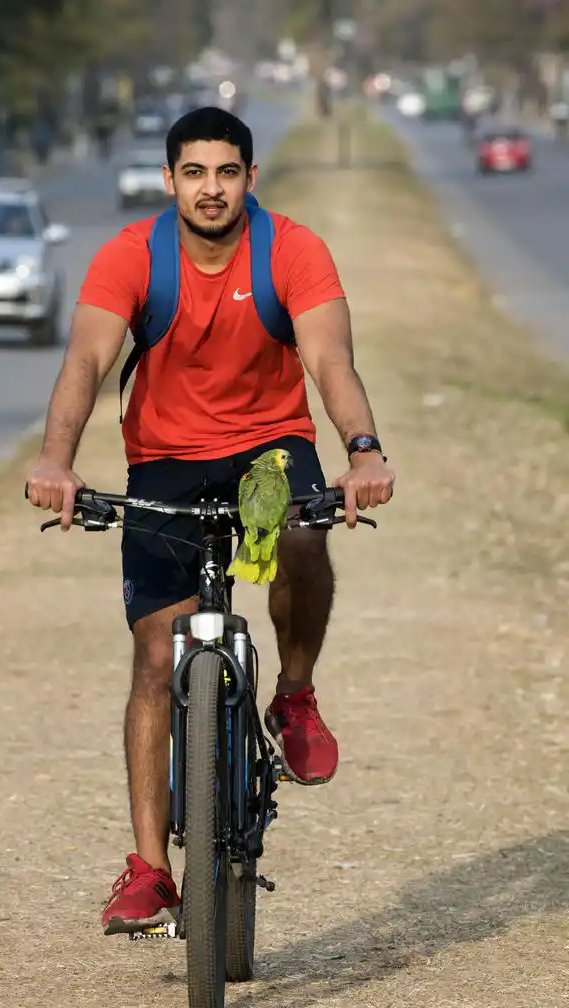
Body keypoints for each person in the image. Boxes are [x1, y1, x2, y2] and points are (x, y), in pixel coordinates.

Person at [27, 106, 395, 935]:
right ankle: (151, 871)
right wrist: (57, 459)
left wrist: (364, 452)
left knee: (303, 533)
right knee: (157, 655)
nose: (211, 189)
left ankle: (293, 695)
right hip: (165, 459)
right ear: (170, 181)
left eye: (227, 172)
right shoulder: (133, 255)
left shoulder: (293, 251)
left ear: (250, 179)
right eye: (194, 173)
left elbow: (330, 359)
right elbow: (86, 357)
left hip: (272, 448)